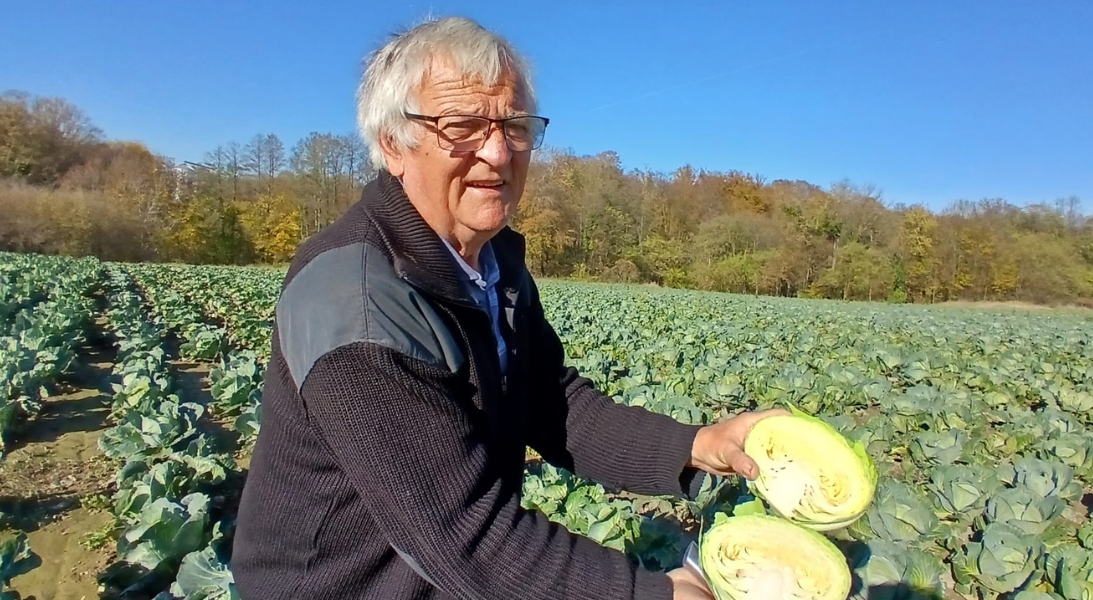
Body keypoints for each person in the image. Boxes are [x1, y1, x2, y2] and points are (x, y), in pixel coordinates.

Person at [230, 16, 782, 600]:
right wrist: (655, 595)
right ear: (393, 144)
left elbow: (551, 401)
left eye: (514, 125)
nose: (496, 152)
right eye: (462, 126)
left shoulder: (493, 262)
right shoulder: (357, 303)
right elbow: (466, 537)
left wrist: (696, 446)